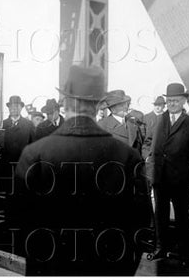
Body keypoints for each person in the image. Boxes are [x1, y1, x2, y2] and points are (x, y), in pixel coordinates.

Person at [12, 66, 151, 276]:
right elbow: (141, 223)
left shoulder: (35, 154)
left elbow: (17, 221)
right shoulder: (128, 157)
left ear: (65, 104)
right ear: (98, 106)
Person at [150, 83, 189, 260]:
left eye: (176, 100)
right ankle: (160, 248)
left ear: (184, 101)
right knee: (160, 216)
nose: (172, 104)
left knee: (182, 216)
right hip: (160, 177)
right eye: (169, 101)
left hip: (180, 178)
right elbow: (152, 145)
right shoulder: (159, 119)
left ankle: (185, 253)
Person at [98, 90, 144, 157]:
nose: (126, 107)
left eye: (125, 103)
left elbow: (140, 147)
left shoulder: (133, 122)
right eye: (121, 105)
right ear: (112, 108)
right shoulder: (102, 125)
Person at [1, 96, 35, 163]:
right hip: (6, 164)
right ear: (9, 108)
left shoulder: (29, 124)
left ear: (21, 108)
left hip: (23, 163)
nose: (13, 108)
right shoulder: (2, 124)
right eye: (11, 106)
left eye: (16, 106)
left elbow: (33, 144)